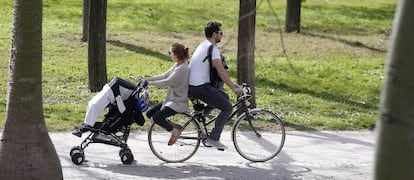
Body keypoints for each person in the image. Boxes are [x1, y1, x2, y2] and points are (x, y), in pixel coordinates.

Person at [188, 21, 243, 150]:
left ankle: (199, 118)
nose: (221, 36)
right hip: (200, 87)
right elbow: (221, 71)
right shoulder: (213, 49)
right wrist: (234, 88)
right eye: (220, 33)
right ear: (214, 34)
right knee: (227, 108)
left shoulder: (203, 45)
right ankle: (214, 137)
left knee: (224, 97)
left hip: (194, 85)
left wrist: (232, 84)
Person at [145, 43, 190, 146]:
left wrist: (149, 83)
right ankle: (175, 126)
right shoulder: (177, 65)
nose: (169, 54)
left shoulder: (182, 68)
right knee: (149, 113)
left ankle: (175, 132)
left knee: (157, 118)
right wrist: (147, 79)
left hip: (178, 102)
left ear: (175, 54)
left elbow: (167, 81)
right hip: (171, 100)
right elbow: (164, 75)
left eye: (170, 53)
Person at [72, 77, 145, 137]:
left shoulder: (131, 100)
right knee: (92, 104)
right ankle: (86, 125)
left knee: (93, 105)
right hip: (115, 89)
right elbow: (122, 109)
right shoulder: (131, 98)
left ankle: (86, 126)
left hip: (115, 89)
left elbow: (123, 110)